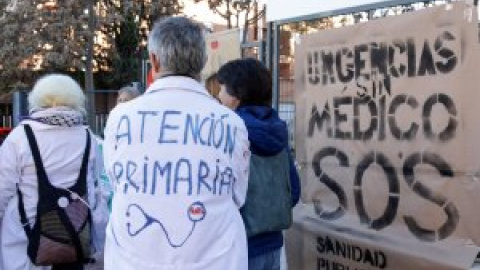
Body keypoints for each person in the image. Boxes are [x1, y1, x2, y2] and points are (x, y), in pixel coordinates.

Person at [102, 17, 251, 270]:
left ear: (154, 61)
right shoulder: (230, 122)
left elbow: (117, 181)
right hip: (216, 259)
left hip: (134, 259)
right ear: (203, 62)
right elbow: (237, 195)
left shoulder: (120, 117)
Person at [0, 74, 104, 270]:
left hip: (25, 246)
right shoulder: (87, 136)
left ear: (37, 99)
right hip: (75, 241)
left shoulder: (20, 137)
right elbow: (97, 190)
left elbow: (2, 189)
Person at [217, 58, 301, 270]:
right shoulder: (277, 130)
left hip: (239, 247)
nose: (218, 96)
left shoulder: (229, 132)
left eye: (222, 89)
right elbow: (294, 192)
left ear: (236, 96)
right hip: (273, 244)